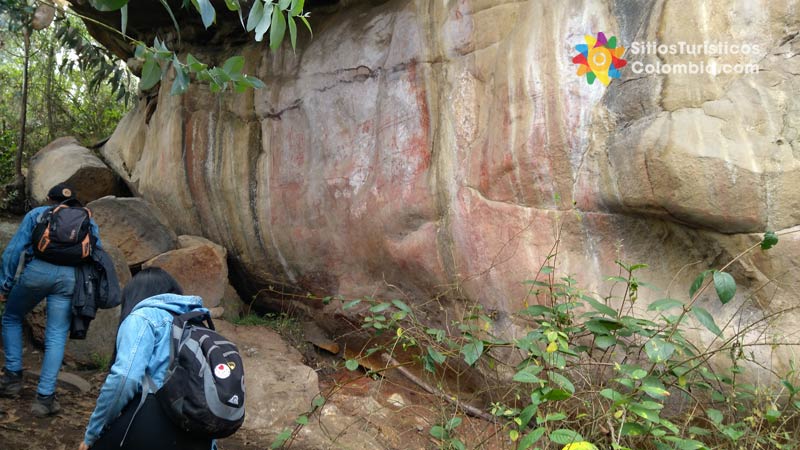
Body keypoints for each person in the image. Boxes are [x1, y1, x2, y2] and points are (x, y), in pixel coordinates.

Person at [79, 267, 215, 450]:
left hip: (155, 417)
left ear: (134, 294)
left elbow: (125, 379)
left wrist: (93, 433)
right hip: (198, 427)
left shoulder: (143, 318)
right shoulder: (196, 323)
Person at [0, 183, 103, 416]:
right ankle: (44, 399)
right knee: (56, 335)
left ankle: (12, 379)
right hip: (70, 278)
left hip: (37, 273)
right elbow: (97, 253)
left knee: (12, 317)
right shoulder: (87, 218)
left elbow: (13, 251)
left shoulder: (38, 214)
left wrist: (5, 285)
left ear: (50, 199)